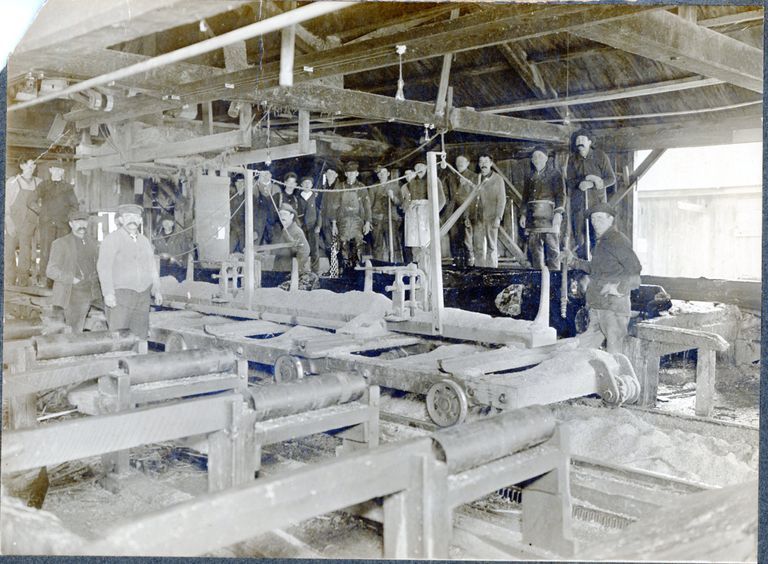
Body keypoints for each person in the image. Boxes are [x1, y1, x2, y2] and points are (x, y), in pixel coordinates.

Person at [566, 202, 641, 354]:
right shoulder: (601, 242)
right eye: (593, 219)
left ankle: (618, 378)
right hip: (598, 306)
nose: (595, 223)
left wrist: (618, 288)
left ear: (610, 219)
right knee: (583, 351)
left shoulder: (617, 241)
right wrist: (573, 261)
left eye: (600, 218)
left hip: (613, 308)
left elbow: (635, 272)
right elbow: (596, 269)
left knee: (615, 353)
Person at [97, 204, 163, 339]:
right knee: (119, 335)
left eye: (135, 217)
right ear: (120, 220)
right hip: (121, 295)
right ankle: (120, 360)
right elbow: (104, 267)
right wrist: (108, 293)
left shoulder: (145, 241)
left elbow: (152, 267)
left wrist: (156, 290)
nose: (132, 220)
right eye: (128, 216)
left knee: (140, 335)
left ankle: (137, 360)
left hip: (143, 295)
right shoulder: (112, 239)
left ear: (140, 220)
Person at [46, 210, 101, 333]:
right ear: (71, 224)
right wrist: (72, 279)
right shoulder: (60, 243)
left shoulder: (92, 243)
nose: (81, 225)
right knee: (74, 330)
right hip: (72, 292)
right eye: (77, 222)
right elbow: (51, 270)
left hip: (91, 290)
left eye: (84, 221)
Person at [566, 129, 616, 258]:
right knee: (580, 237)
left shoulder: (600, 156)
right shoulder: (572, 160)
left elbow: (611, 179)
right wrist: (579, 184)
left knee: (597, 236)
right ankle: (584, 270)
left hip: (597, 205)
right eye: (577, 140)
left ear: (589, 142)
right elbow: (569, 182)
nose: (580, 142)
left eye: (583, 139)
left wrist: (593, 183)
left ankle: (598, 268)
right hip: (579, 206)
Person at [520, 147, 565, 270]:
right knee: (535, 250)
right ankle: (538, 282)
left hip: (550, 216)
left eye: (540, 156)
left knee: (553, 250)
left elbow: (561, 195)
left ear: (546, 158)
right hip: (533, 218)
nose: (537, 159)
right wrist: (523, 214)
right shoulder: (529, 176)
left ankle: (555, 282)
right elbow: (525, 198)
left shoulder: (555, 174)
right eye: (534, 157)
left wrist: (558, 213)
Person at [38, 161, 80, 287]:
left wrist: (67, 218)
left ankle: (61, 280)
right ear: (50, 170)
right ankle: (45, 279)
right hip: (47, 224)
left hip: (62, 225)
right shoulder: (43, 185)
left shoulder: (67, 188)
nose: (57, 172)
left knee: (62, 252)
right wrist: (42, 213)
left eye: (60, 170)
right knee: (46, 251)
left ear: (63, 172)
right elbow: (30, 201)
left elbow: (75, 206)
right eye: (55, 169)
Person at [5, 157, 42, 286]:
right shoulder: (12, 182)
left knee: (25, 254)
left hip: (29, 224)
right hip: (13, 222)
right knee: (8, 252)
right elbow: (5, 204)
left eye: (34, 165)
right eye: (29, 165)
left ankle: (23, 282)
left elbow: (42, 203)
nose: (32, 168)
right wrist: (8, 221)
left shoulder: (39, 182)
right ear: (22, 166)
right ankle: (9, 282)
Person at [335, 161, 371, 272]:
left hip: (357, 220)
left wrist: (368, 222)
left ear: (357, 174)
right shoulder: (340, 187)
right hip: (343, 221)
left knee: (358, 243)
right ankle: (345, 270)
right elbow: (334, 206)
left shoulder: (362, 187)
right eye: (348, 173)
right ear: (346, 174)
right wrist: (333, 224)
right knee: (343, 244)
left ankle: (358, 270)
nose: (351, 175)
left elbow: (367, 206)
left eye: (353, 173)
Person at [472, 154, 506, 268]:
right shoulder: (476, 178)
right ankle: (479, 271)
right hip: (478, 218)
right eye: (481, 161)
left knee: (491, 246)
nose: (483, 164)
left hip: (491, 217)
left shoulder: (498, 179)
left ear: (491, 163)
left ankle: (492, 271)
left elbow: (502, 200)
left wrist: (498, 217)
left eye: (486, 161)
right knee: (478, 246)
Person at [442, 155, 476, 267]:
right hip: (453, 213)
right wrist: (447, 207)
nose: (459, 163)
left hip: (466, 212)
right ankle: (457, 265)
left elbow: (476, 195)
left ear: (467, 163)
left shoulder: (473, 176)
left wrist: (465, 186)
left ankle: (470, 266)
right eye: (457, 161)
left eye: (462, 161)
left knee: (467, 240)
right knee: (454, 239)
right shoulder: (451, 176)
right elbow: (446, 194)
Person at [368, 165, 403, 262]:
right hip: (377, 220)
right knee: (377, 245)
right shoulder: (373, 187)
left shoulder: (395, 186)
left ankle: (397, 265)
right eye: (380, 173)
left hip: (391, 219)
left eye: (384, 173)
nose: (382, 175)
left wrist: (392, 197)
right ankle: (377, 268)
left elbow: (400, 202)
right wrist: (369, 221)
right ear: (378, 176)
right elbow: (369, 205)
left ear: (388, 174)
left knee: (394, 244)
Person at [298, 175, 323, 273]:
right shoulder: (298, 197)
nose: (307, 184)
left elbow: (319, 212)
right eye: (305, 183)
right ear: (301, 185)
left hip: (313, 227)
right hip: (302, 227)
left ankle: (315, 271)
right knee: (302, 249)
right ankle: (301, 270)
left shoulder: (315, 197)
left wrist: (318, 225)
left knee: (314, 250)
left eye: (309, 183)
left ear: (312, 185)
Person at [254, 170, 281, 245]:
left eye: (267, 174)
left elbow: (279, 206)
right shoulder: (254, 188)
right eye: (263, 174)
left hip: (272, 222)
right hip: (258, 223)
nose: (265, 176)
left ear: (271, 175)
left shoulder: (276, 188)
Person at [229, 173, 245, 253]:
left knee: (244, 250)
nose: (240, 184)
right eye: (238, 182)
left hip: (245, 229)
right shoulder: (231, 198)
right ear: (235, 183)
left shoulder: (249, 197)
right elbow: (231, 215)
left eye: (242, 182)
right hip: (234, 228)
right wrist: (236, 227)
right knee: (229, 249)